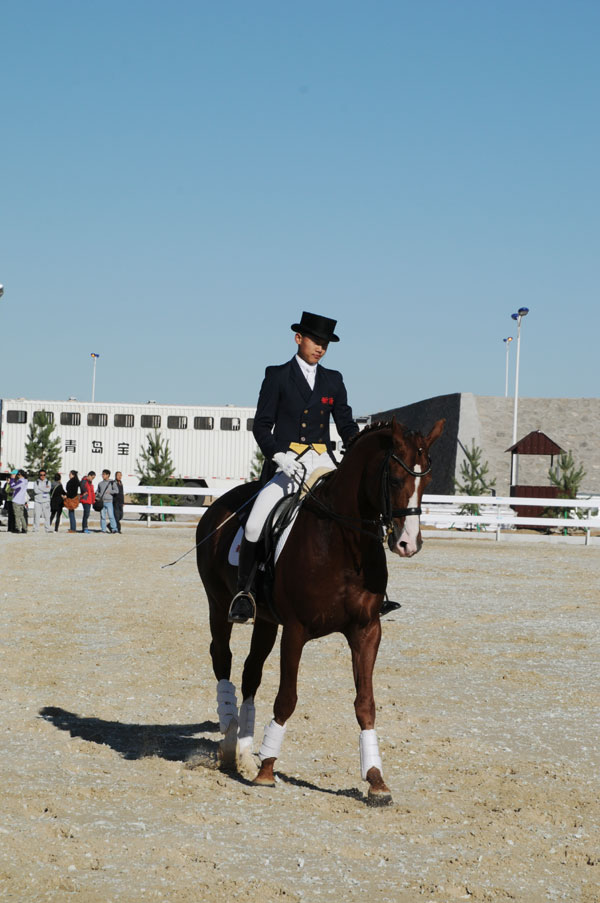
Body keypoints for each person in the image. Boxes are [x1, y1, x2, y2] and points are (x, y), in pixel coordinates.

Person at [229, 311, 359, 623]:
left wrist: (360, 447)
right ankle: (245, 593)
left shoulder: (334, 380)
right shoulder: (277, 376)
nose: (321, 347)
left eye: (326, 343)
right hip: (288, 464)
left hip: (324, 463)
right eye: (316, 340)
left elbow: (345, 424)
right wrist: (278, 455)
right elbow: (261, 425)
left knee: (357, 514)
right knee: (253, 524)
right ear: (298, 338)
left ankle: (368, 589)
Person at [96, 469, 119, 534]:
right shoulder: (100, 483)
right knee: (102, 517)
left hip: (109, 502)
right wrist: (97, 496)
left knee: (111, 516)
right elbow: (97, 491)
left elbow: (116, 491)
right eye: (102, 474)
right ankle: (103, 530)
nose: (103, 475)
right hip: (102, 502)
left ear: (108, 475)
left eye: (104, 474)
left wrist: (110, 492)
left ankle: (114, 529)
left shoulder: (112, 482)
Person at [11, 469, 29, 534]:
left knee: (17, 516)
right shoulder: (26, 480)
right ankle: (24, 529)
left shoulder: (21, 481)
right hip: (22, 501)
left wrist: (12, 479)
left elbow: (13, 486)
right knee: (21, 515)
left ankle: (17, 528)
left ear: (19, 474)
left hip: (16, 500)